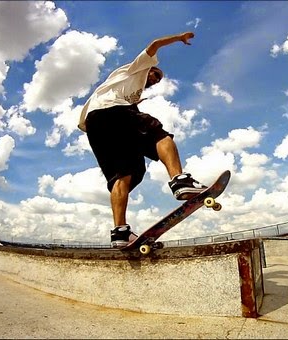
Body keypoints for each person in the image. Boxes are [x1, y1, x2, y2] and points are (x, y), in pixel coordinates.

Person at [78, 31, 207, 248]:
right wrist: (178, 39)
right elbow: (155, 43)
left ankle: (120, 232)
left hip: (95, 126)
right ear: (149, 68)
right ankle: (180, 181)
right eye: (155, 75)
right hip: (111, 113)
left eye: (157, 80)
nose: (155, 80)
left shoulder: (132, 94)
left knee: (125, 175)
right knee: (158, 134)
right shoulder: (136, 68)